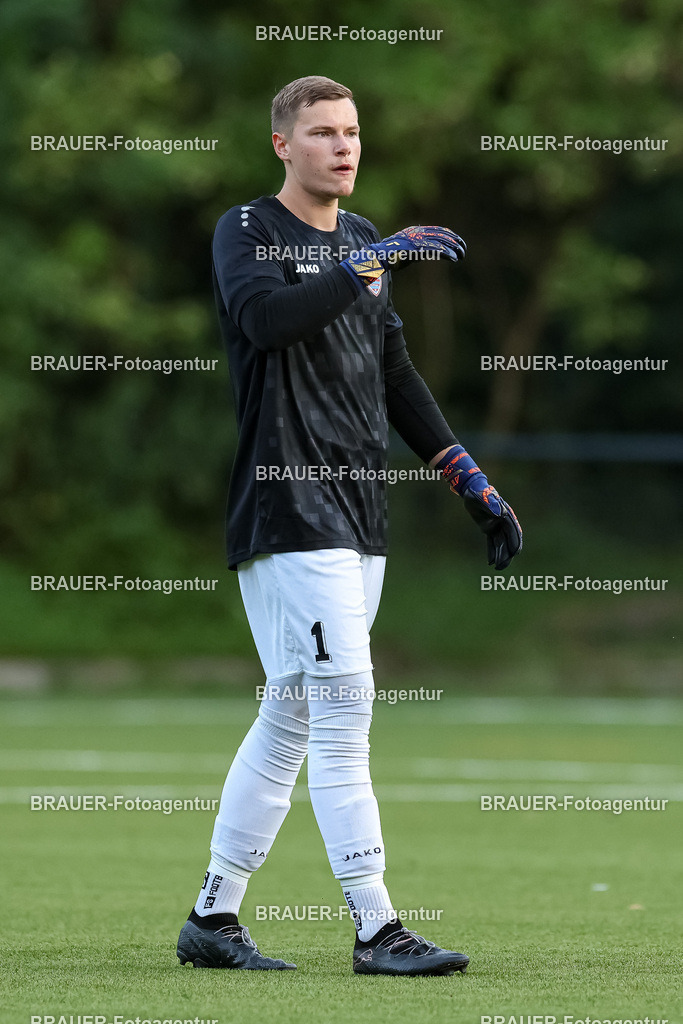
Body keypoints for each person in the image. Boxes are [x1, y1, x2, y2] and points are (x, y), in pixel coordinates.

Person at [177, 75, 522, 977]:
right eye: (323, 132)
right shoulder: (247, 230)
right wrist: (369, 262)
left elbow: (394, 373)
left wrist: (466, 475)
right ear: (282, 145)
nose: (343, 146)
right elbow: (267, 320)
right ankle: (377, 929)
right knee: (342, 715)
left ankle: (212, 916)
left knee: (290, 716)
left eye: (353, 132)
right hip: (289, 509)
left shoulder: (362, 242)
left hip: (359, 515)